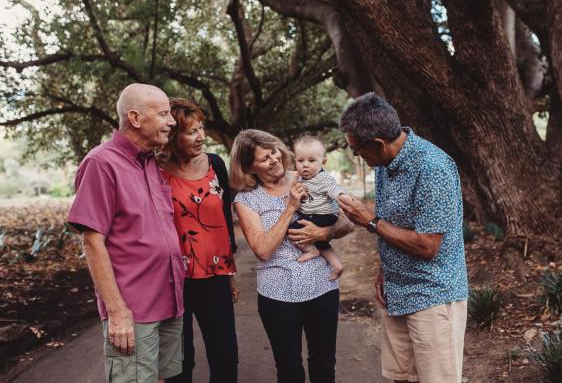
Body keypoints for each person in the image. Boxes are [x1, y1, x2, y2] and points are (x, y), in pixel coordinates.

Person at [337, 93, 468, 383]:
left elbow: (427, 245)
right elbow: (394, 225)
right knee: (401, 378)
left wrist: (369, 221)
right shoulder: (385, 165)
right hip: (397, 293)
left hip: (433, 295)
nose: (360, 158)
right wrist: (385, 270)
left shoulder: (432, 168)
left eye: (359, 152)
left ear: (378, 144)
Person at [67, 83, 185, 383]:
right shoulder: (101, 162)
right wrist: (117, 312)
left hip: (170, 301)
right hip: (134, 310)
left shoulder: (150, 163)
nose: (171, 121)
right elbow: (93, 242)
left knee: (164, 378)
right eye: (163, 114)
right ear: (135, 118)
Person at [230, 129, 353, 383]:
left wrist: (323, 231)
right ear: (249, 167)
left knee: (324, 364)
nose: (274, 159)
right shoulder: (246, 200)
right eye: (264, 158)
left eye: (274, 151)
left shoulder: (305, 175)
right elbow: (263, 250)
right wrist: (291, 208)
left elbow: (346, 223)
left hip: (322, 287)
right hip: (278, 296)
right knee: (290, 370)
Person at [158, 98, 239, 383]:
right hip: (173, 278)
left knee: (225, 355)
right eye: (192, 131)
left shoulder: (216, 164)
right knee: (180, 360)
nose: (201, 137)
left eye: (202, 128)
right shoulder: (155, 171)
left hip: (216, 273)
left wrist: (230, 272)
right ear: (172, 135)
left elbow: (225, 221)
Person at [290, 136, 352, 280]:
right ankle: (337, 265)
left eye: (311, 161)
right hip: (317, 216)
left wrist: (342, 196)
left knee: (293, 229)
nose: (305, 165)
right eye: (300, 161)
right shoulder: (300, 179)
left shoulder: (323, 178)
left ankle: (311, 250)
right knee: (321, 243)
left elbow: (333, 189)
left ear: (323, 162)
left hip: (322, 215)